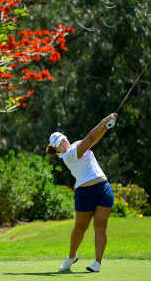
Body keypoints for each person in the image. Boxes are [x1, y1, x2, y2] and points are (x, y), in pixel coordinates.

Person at [46, 113, 117, 273]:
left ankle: (97, 263)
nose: (63, 143)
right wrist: (105, 120)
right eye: (59, 144)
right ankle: (72, 257)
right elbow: (91, 137)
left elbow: (95, 139)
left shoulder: (77, 144)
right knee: (80, 228)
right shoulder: (68, 156)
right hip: (85, 193)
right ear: (56, 150)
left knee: (100, 226)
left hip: (104, 189)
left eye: (63, 139)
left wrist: (106, 127)